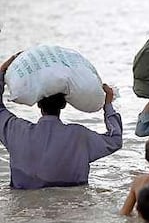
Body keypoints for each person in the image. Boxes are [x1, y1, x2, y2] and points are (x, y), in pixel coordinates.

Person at [0, 53, 123, 189]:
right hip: (73, 205)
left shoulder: (16, 131)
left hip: (24, 205)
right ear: (64, 105)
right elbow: (115, 140)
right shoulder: (79, 136)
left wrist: (2, 72)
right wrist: (108, 105)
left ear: (38, 104)